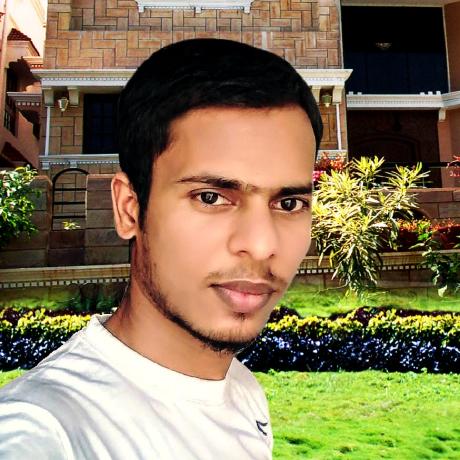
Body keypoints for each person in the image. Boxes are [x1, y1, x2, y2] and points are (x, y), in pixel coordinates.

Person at [0, 38, 322, 459]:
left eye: (289, 204)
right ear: (129, 209)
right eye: (211, 197)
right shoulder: (45, 429)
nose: (262, 245)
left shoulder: (243, 393)